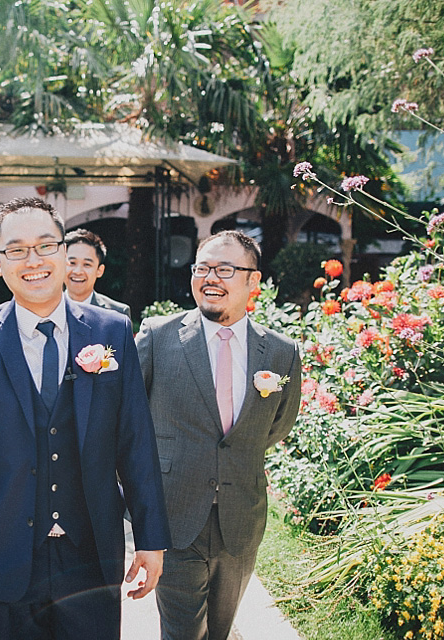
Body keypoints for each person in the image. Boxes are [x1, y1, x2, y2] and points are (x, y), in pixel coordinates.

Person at [0, 197, 171, 640]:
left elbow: (135, 442)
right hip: (0, 557)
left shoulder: (111, 331)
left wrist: (150, 538)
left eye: (46, 246)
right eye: (17, 250)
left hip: (91, 557)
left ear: (65, 253)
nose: (34, 260)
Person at [136, 230, 302, 640]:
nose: (211, 277)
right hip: (174, 514)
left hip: (241, 516)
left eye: (225, 269)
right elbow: (129, 419)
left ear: (253, 281)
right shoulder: (159, 336)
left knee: (220, 629)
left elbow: (279, 423)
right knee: (181, 631)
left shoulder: (281, 351)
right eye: (203, 268)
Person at [64, 228, 131, 318]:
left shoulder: (118, 313)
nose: (78, 271)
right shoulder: (44, 309)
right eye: (72, 263)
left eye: (87, 264)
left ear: (100, 271)